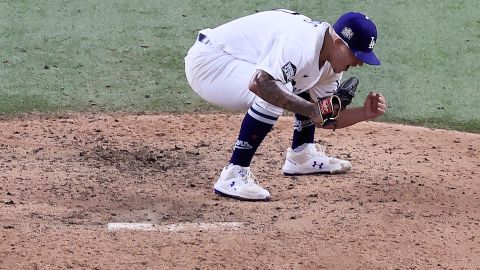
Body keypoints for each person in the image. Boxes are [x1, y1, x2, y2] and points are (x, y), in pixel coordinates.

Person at [184, 9, 387, 201]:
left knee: (290, 84)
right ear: (337, 42)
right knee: (273, 89)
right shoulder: (300, 44)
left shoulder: (331, 64)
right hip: (210, 62)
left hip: (238, 63)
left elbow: (322, 117)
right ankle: (234, 174)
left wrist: (363, 113)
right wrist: (312, 109)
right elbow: (261, 84)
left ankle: (302, 156)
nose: (359, 63)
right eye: (356, 55)